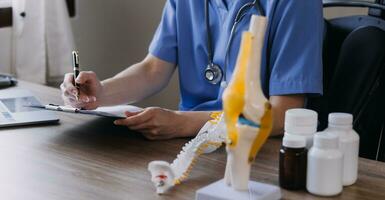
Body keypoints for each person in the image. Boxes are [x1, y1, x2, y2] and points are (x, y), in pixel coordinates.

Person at [61, 0, 323, 140]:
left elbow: (283, 114)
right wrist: (99, 93)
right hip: (187, 143)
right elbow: (153, 69)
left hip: (254, 150)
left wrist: (182, 123)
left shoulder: (296, 3)